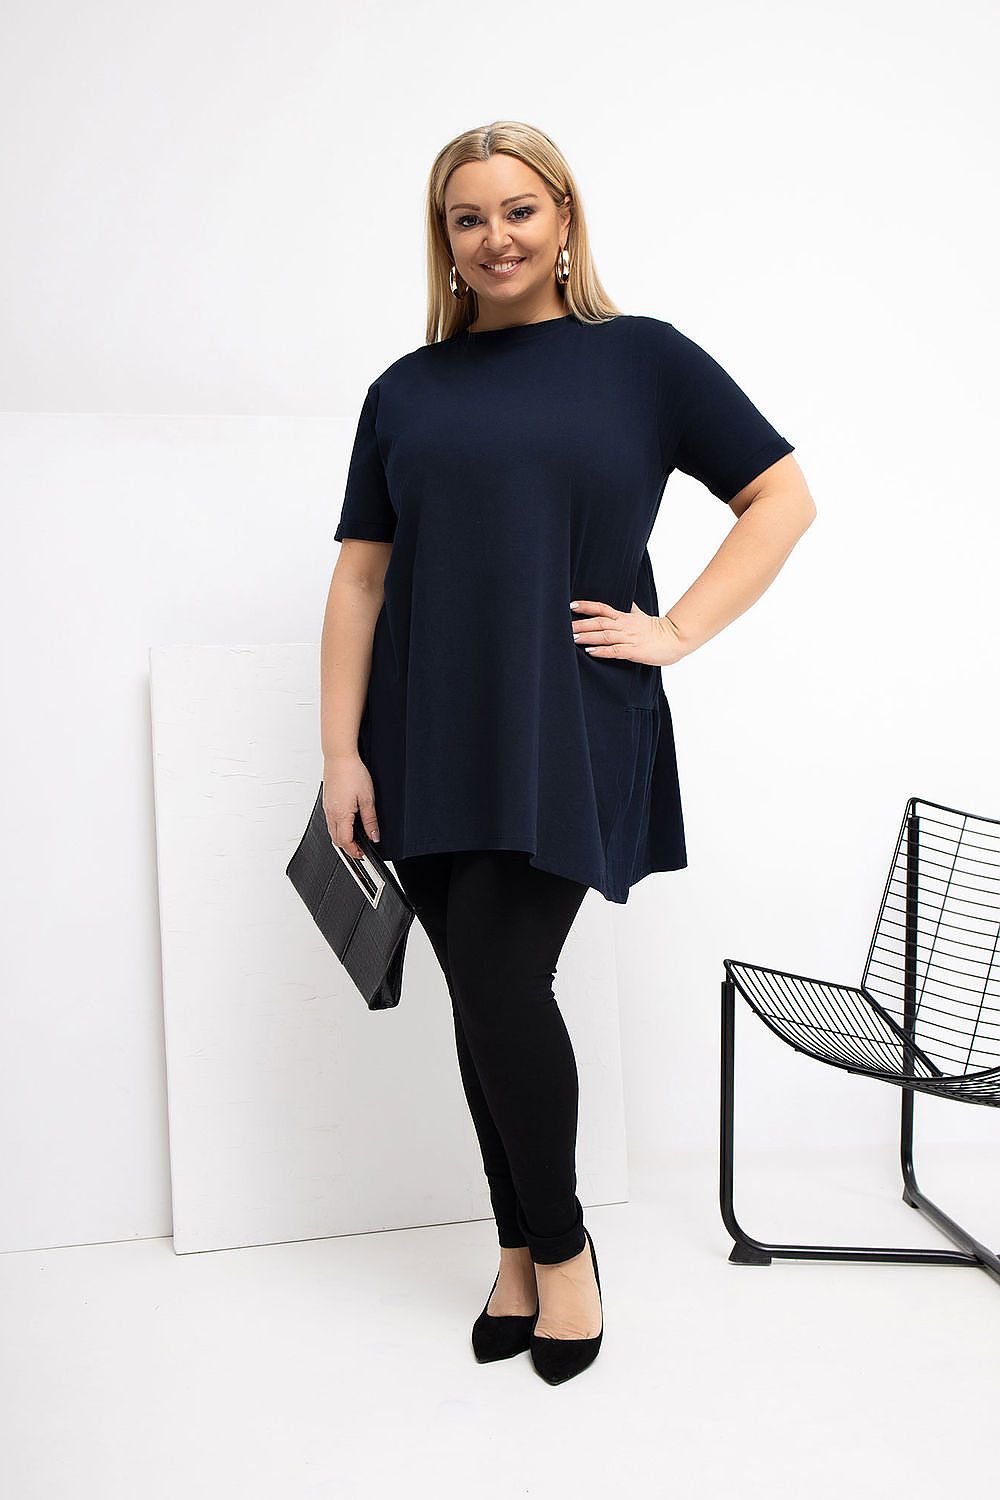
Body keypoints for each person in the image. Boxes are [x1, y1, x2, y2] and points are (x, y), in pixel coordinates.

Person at [319, 120, 816, 1384]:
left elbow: (781, 496)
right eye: (467, 218)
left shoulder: (641, 360)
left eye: (518, 210)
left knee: (502, 982)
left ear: (564, 218)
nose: (494, 238)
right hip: (421, 732)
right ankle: (516, 1251)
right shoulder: (405, 390)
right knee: (480, 997)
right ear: (444, 241)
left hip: (567, 721)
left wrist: (677, 630)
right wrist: (339, 754)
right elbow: (362, 579)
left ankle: (563, 1248)